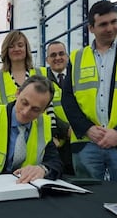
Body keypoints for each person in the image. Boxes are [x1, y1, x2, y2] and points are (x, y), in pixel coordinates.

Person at [61, 0, 117, 184]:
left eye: (114, 22)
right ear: (91, 28)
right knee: (88, 202)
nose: (111, 28)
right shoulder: (77, 58)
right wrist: (87, 129)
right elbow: (68, 98)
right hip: (87, 143)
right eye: (103, 24)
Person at [0, 75, 63, 189]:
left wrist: (42, 169)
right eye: (24, 103)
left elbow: (55, 163)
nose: (25, 112)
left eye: (35, 109)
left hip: (25, 192)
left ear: (44, 110)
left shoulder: (44, 125)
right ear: (17, 93)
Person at [0, 30, 58, 137]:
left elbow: (49, 109)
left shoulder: (41, 73)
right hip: (9, 136)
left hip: (39, 136)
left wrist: (53, 134)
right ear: (6, 50)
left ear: (26, 48)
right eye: (11, 46)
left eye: (20, 45)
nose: (16, 49)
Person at [46, 41, 74, 175]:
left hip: (79, 140)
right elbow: (41, 110)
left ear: (67, 56)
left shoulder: (77, 76)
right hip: (55, 143)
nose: (58, 58)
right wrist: (65, 129)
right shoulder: (42, 80)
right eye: (53, 55)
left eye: (61, 54)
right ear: (47, 60)